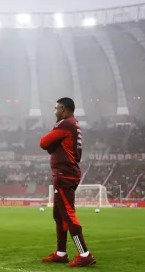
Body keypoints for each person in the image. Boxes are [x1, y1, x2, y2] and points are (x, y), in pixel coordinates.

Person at [39, 97, 96, 267]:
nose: (55, 111)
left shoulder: (65, 123)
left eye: (57, 108)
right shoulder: (73, 124)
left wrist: (52, 145)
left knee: (68, 214)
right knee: (59, 214)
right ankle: (61, 253)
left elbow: (44, 143)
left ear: (63, 109)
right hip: (66, 173)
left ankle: (84, 253)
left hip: (64, 175)